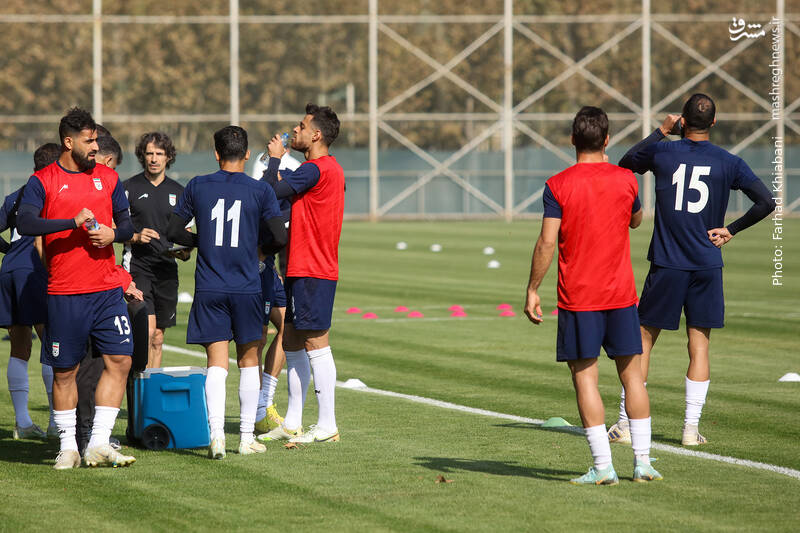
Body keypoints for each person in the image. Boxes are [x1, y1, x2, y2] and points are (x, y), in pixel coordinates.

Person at [609, 94, 776, 446]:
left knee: (643, 340)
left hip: (667, 264)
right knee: (699, 346)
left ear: (682, 120)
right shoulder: (729, 162)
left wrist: (660, 131)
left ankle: (625, 424)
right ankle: (689, 429)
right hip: (706, 265)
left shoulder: (663, 152)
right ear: (714, 123)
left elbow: (625, 164)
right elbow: (766, 202)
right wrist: (731, 229)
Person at [524, 106, 661, 485]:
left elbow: (547, 241)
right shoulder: (626, 180)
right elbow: (636, 220)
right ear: (607, 139)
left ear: (572, 139)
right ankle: (643, 463)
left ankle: (603, 467)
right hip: (621, 296)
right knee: (632, 379)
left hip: (578, 298)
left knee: (586, 379)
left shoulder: (557, 184)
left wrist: (532, 289)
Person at [17, 107, 140, 469]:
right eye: (89, 141)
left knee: (121, 360)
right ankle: (68, 446)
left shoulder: (109, 178)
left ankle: (98, 443)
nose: (95, 146)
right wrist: (70, 222)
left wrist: (114, 234)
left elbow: (127, 225)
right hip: (65, 293)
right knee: (65, 372)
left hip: (106, 291)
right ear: (68, 142)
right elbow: (25, 223)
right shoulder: (43, 180)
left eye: (96, 139)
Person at [166, 125, 287, 459]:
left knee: (216, 364)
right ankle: (246, 438)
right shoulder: (260, 190)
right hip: (247, 287)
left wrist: (200, 241)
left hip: (210, 286)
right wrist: (259, 251)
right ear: (247, 154)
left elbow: (173, 229)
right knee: (249, 361)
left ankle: (216, 435)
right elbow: (280, 236)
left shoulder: (198, 185)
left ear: (216, 153)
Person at [257, 103, 345, 445]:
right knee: (292, 340)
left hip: (313, 268)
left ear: (316, 135)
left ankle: (327, 424)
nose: (295, 130)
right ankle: (293, 422)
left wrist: (275, 159)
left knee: (315, 342)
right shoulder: (318, 170)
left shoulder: (316, 168)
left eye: (302, 126)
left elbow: (270, 191)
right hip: (300, 266)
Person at [0, 143, 61, 441]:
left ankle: (23, 423)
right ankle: (55, 422)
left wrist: (9, 250)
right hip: (34, 271)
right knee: (51, 343)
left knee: (19, 346)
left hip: (8, 271)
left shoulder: (15, 195)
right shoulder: (51, 191)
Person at [123, 132, 190, 369]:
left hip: (167, 271)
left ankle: (149, 389)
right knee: (147, 332)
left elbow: (186, 234)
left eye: (159, 153)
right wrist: (136, 237)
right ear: (142, 155)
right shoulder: (128, 188)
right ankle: (136, 386)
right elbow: (112, 229)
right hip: (137, 267)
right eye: (149, 153)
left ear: (168, 157)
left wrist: (184, 252)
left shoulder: (180, 192)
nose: (153, 158)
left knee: (158, 338)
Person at [251, 141, 300, 436]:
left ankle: (264, 402)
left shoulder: (288, 194)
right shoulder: (261, 185)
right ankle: (257, 413)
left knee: (288, 329)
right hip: (253, 271)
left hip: (270, 271)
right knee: (256, 339)